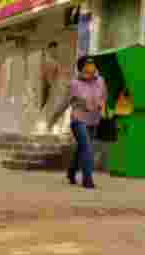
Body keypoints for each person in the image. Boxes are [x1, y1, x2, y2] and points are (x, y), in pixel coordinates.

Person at [64, 55, 107, 189]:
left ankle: (71, 172)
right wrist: (54, 118)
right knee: (87, 148)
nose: (92, 66)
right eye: (88, 64)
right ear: (82, 67)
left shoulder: (100, 80)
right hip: (79, 119)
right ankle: (87, 180)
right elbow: (67, 101)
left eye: (93, 64)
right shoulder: (74, 83)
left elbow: (104, 96)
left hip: (93, 120)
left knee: (81, 149)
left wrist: (102, 105)